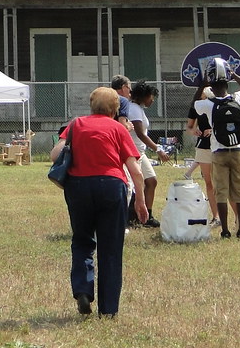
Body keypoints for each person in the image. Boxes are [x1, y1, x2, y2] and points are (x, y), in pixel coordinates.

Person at [50, 86, 147, 319]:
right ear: (115, 109)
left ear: (92, 106)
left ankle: (83, 290)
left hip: (79, 187)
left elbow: (55, 155)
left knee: (82, 240)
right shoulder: (118, 129)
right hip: (112, 186)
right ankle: (108, 309)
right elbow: (136, 171)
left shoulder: (76, 124)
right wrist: (141, 202)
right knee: (111, 248)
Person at [193, 58, 240, 239]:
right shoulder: (239, 99)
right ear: (228, 80)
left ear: (210, 81)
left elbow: (195, 104)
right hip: (238, 151)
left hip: (218, 152)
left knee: (221, 191)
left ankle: (225, 230)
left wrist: (203, 84)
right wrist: (234, 74)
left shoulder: (208, 104)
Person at [125, 82, 169, 227]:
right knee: (135, 186)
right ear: (144, 96)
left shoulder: (138, 108)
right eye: (151, 96)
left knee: (151, 181)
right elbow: (139, 133)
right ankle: (132, 218)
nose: (153, 100)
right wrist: (158, 149)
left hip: (140, 152)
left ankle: (147, 216)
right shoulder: (134, 109)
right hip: (133, 153)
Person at [184, 88, 219, 226]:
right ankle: (216, 217)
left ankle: (232, 216)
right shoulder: (196, 106)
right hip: (204, 146)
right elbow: (189, 127)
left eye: (205, 96)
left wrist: (214, 130)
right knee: (209, 182)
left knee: (221, 183)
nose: (202, 98)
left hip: (219, 146)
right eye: (201, 96)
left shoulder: (218, 105)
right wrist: (194, 131)